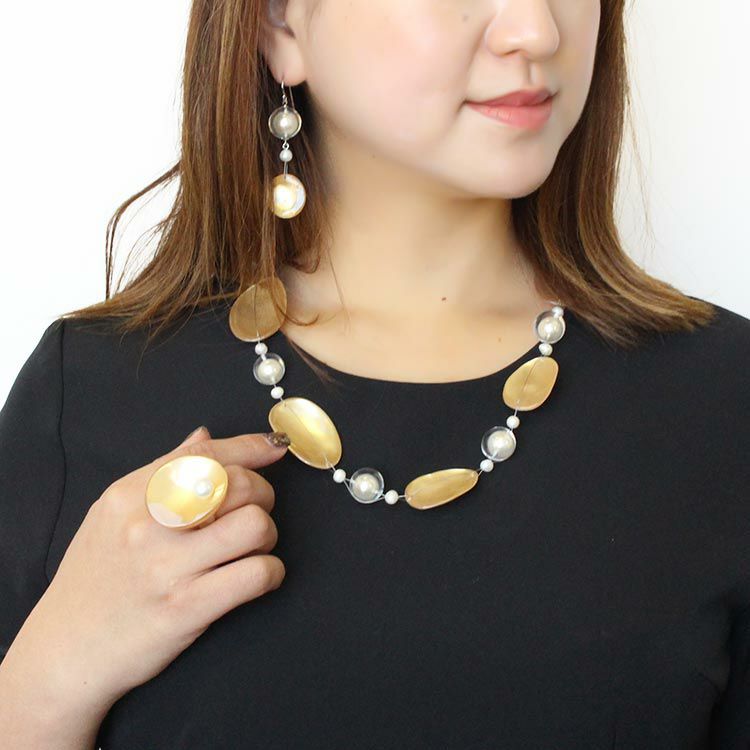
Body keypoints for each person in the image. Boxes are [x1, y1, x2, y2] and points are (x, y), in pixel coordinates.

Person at [0, 1, 748, 748]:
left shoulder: (721, 403)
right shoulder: (87, 394)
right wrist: (48, 680)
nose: (538, 29)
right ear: (280, 25)